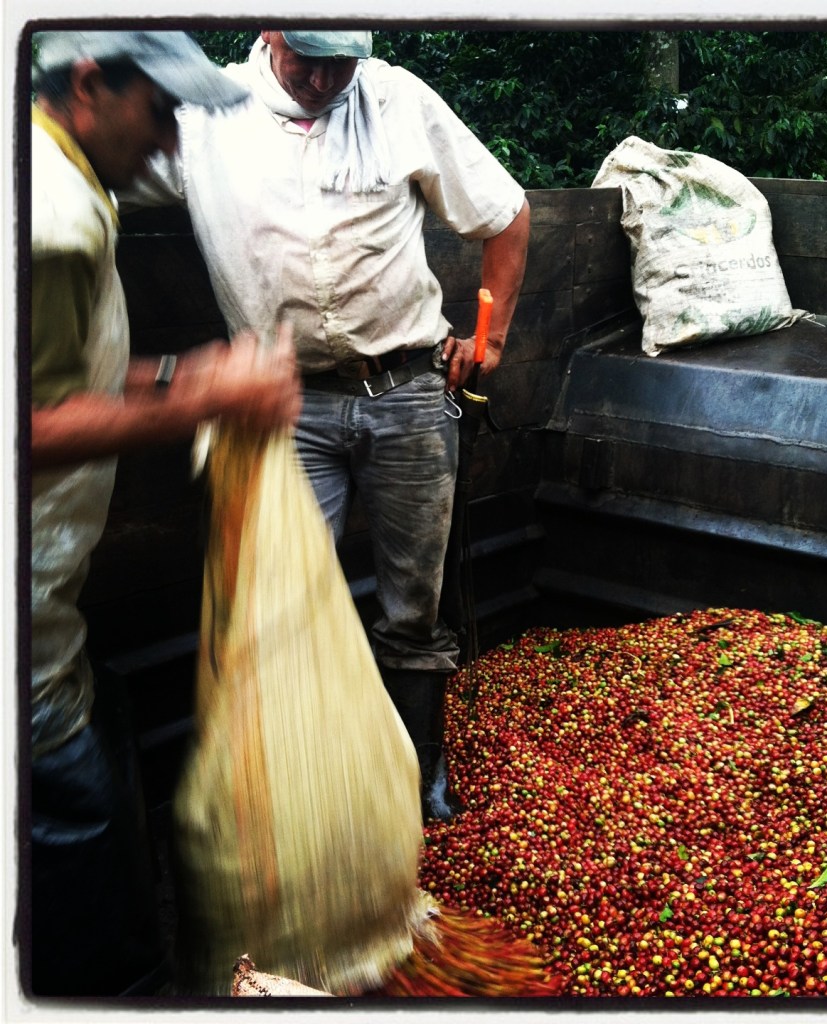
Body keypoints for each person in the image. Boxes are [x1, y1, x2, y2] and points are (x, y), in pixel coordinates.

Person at [125, 29, 531, 823]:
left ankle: (419, 779)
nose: (319, 78)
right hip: (285, 401)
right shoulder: (210, 116)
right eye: (303, 56)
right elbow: (90, 168)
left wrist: (492, 341)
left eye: (338, 62)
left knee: (415, 601)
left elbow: (506, 215)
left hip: (408, 387)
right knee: (281, 605)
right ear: (268, 31)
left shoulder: (397, 100)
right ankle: (310, 796)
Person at [27, 30, 301, 997]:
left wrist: (187, 369)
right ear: (91, 81)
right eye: (160, 112)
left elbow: (69, 374)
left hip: (52, 609)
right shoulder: (48, 212)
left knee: (103, 768)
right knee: (90, 872)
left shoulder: (68, 176)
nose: (169, 144)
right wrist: (207, 403)